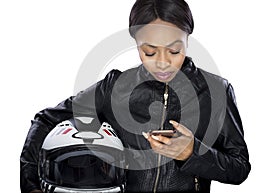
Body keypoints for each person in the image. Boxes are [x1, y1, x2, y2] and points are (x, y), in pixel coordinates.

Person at [20, 0, 251, 192]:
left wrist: (193, 153)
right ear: (136, 42)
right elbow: (46, 119)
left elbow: (239, 168)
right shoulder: (115, 87)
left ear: (188, 39)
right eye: (149, 51)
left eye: (174, 50)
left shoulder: (217, 91)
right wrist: (31, 185)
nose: (162, 62)